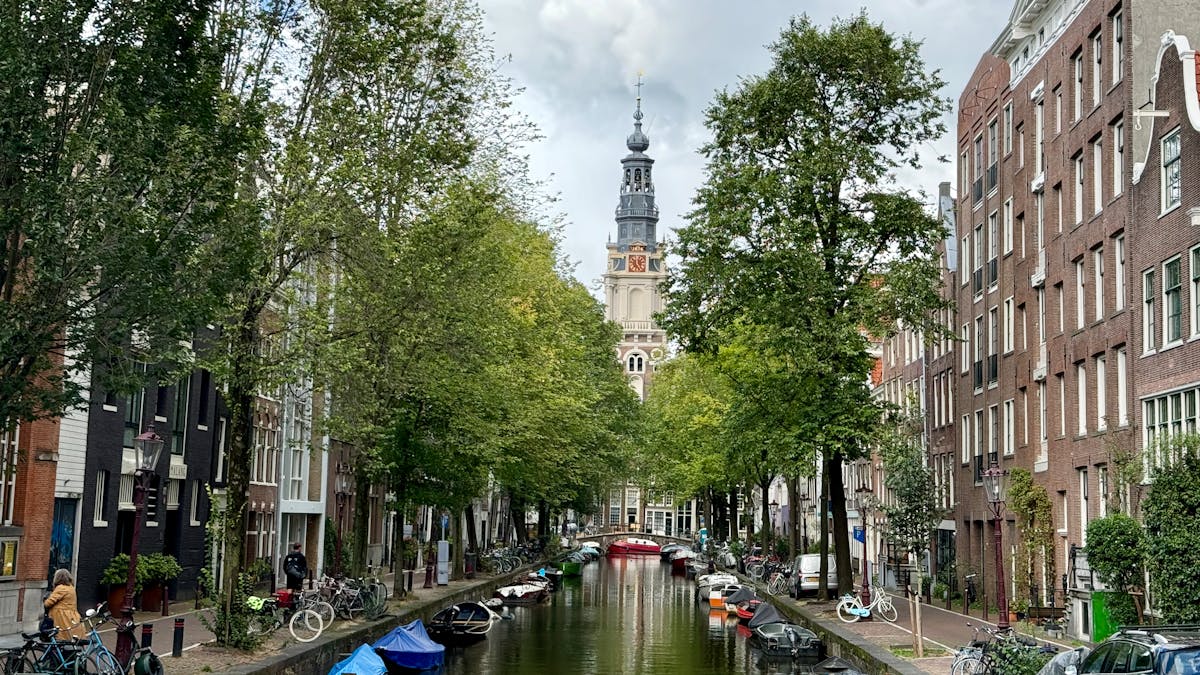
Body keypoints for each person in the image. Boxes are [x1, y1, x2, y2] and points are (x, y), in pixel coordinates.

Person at [44, 569, 84, 638]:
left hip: (62, 617)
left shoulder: (61, 588)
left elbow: (48, 603)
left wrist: (46, 600)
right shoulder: (71, 588)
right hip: (71, 616)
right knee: (69, 637)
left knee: (60, 636)